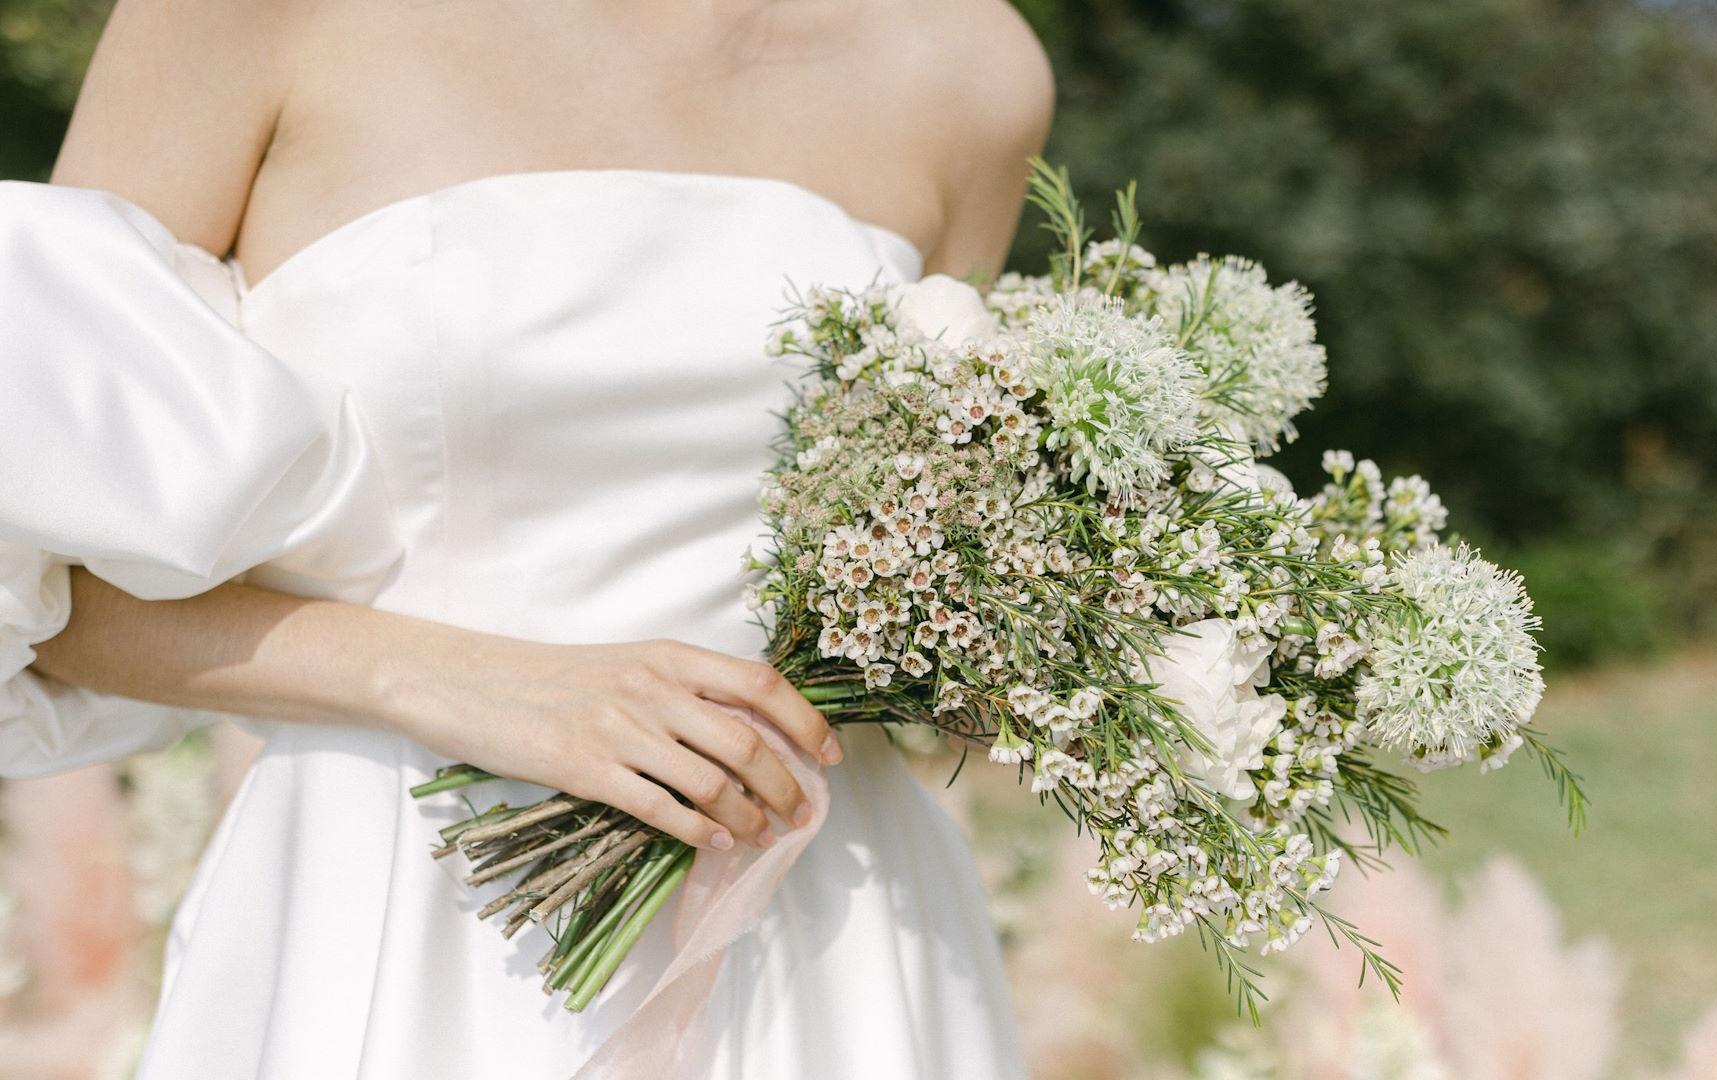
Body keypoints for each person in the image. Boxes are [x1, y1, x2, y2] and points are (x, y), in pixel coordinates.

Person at [1, 0, 1053, 1075]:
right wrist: (450, 682)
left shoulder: (967, 63)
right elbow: (37, 578)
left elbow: (924, 527)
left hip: (830, 910)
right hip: (401, 890)